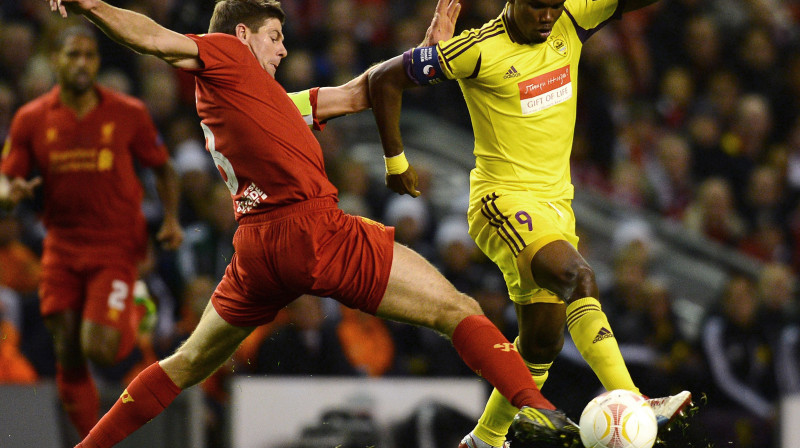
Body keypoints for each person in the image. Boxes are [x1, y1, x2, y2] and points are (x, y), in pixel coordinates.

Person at [46, 0, 579, 447]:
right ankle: (540, 411)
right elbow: (156, 39)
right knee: (455, 309)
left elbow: (358, 93)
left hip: (256, 252)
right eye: (274, 37)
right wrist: (91, 4)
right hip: (312, 230)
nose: (283, 49)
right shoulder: (228, 55)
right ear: (240, 34)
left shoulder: (262, 100)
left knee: (186, 362)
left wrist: (428, 56)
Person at [367, 0, 692, 447]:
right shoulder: (476, 50)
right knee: (579, 277)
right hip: (503, 202)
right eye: (538, 7)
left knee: (541, 343)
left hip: (558, 208)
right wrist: (396, 159)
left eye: (553, 7)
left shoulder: (572, 18)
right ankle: (633, 398)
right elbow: (384, 78)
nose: (547, 16)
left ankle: (484, 438)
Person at [0, 25, 183, 439]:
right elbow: (5, 179)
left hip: (115, 245)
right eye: (72, 55)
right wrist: (11, 194)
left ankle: (134, 309)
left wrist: (170, 219)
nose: (81, 63)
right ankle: (89, 442)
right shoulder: (30, 119)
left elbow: (162, 168)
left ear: (98, 62)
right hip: (61, 246)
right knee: (68, 352)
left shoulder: (128, 112)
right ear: (56, 60)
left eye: (89, 55)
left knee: (99, 348)